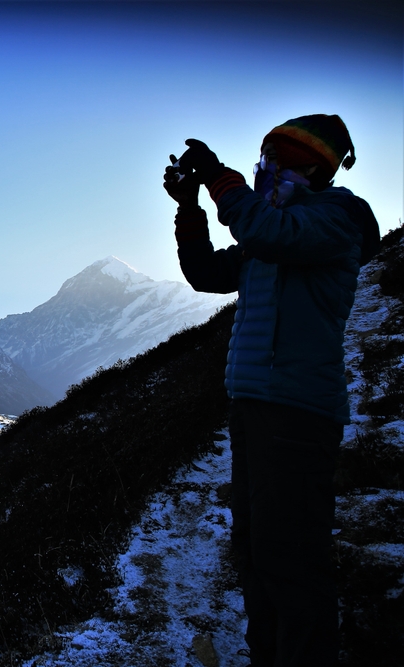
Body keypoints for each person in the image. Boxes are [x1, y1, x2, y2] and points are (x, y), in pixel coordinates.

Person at [162, 114, 381, 666]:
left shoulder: (335, 220)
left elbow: (266, 232)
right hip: (255, 408)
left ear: (312, 165)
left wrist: (220, 181)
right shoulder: (273, 229)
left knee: (292, 560)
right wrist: (188, 208)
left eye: (276, 160)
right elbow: (207, 272)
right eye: (266, 159)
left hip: (298, 412)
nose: (268, 170)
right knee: (257, 555)